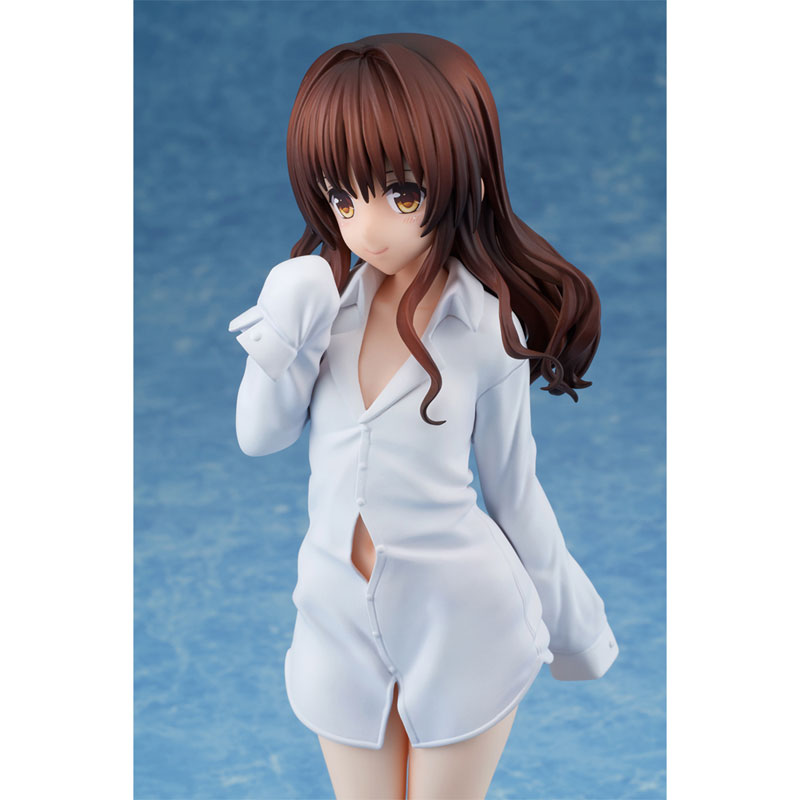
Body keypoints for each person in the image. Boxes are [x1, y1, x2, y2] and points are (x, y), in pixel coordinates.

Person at [229, 32, 619, 800]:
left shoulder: (484, 329)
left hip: (463, 623)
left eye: (401, 193)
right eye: (342, 198)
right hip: (337, 621)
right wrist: (280, 328)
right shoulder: (324, 311)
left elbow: (515, 495)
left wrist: (576, 630)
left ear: (462, 174)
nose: (366, 229)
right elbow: (259, 437)